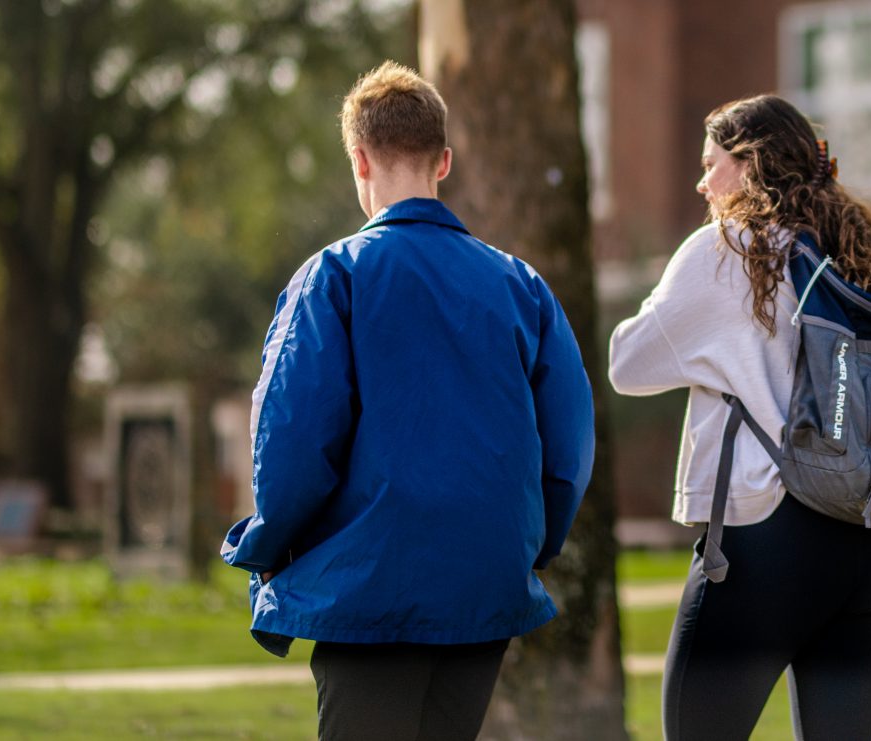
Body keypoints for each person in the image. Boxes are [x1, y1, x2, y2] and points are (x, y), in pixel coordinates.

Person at [220, 61, 595, 741]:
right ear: (443, 161)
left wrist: (266, 542)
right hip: (484, 580)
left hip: (370, 584)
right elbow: (567, 442)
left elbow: (294, 437)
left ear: (358, 158)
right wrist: (528, 546)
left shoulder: (333, 277)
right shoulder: (523, 286)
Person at [609, 94, 871, 741]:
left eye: (712, 165)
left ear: (750, 166)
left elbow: (628, 362)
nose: (702, 182)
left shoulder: (728, 249)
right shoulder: (866, 253)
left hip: (770, 536)